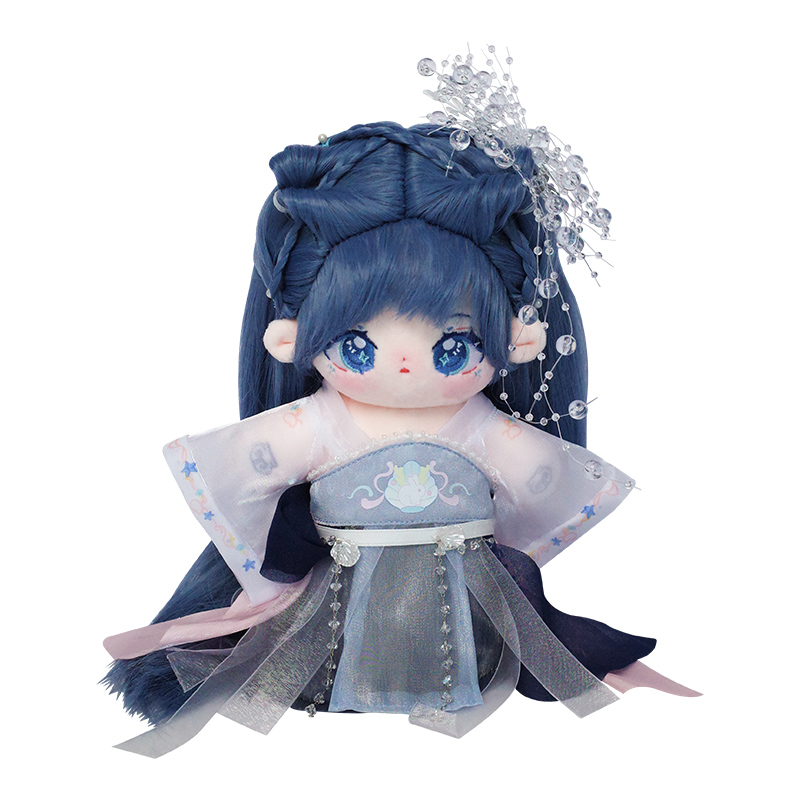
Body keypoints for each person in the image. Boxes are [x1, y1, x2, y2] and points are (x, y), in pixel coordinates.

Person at [103, 120, 697, 758]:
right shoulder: (317, 423)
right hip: (343, 579)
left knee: (456, 643)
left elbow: (539, 474)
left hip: (457, 574)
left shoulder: (481, 427)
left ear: (519, 339)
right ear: (291, 338)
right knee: (338, 643)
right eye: (358, 346)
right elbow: (252, 469)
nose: (406, 366)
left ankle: (458, 674)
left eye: (453, 347)